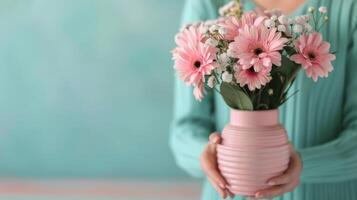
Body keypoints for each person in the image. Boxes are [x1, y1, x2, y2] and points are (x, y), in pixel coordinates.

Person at [170, 0, 357, 199]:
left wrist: (304, 164)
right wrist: (207, 154)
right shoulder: (208, 3)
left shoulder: (348, 6)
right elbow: (184, 130)